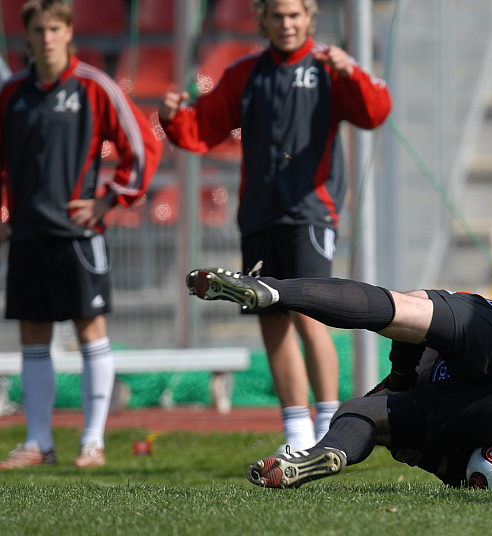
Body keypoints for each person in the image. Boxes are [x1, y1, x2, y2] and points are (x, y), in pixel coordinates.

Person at [158, 0, 392, 450]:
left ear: (309, 18)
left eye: (295, 15)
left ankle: (329, 425)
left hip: (309, 212)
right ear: (261, 19)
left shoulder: (328, 67)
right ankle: (295, 431)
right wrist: (172, 117)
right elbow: (203, 128)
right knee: (271, 318)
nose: (286, 24)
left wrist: (352, 71)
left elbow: (375, 111)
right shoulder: (245, 74)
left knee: (310, 313)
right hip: (259, 216)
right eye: (277, 16)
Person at [184, 266, 492, 488]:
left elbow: (405, 327)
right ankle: (320, 454)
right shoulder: (453, 426)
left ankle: (275, 291)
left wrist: (399, 378)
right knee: (366, 405)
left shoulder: (413, 368)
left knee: (402, 307)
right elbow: (439, 463)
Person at [0, 0, 162, 469]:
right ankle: (38, 443)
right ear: (26, 36)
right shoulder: (12, 93)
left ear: (68, 32)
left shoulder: (95, 86)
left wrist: (109, 201)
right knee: (33, 336)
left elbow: (142, 144)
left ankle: (92, 442)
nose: (46, 37)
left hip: (77, 235)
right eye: (38, 29)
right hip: (28, 235)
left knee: (91, 332)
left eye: (55, 28)